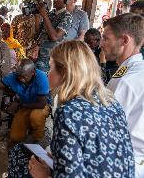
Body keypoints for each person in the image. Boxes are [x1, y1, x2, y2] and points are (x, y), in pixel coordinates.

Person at [8, 41, 135, 178]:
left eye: (51, 67)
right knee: (22, 150)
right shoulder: (111, 101)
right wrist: (58, 157)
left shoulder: (70, 112)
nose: (48, 74)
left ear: (64, 72)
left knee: (19, 157)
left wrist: (43, 175)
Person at [102, 13, 144, 178]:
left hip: (123, 162)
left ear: (124, 40)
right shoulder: (131, 71)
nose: (102, 43)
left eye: (106, 38)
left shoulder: (127, 80)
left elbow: (106, 131)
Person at [35, 0, 73, 72]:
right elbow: (39, 34)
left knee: (44, 84)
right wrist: (37, 16)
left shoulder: (67, 17)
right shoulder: (50, 14)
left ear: (66, 1)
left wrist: (44, 16)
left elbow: (55, 37)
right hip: (38, 57)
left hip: (50, 61)